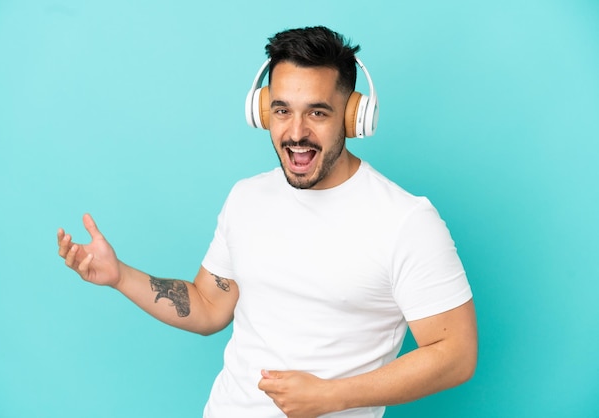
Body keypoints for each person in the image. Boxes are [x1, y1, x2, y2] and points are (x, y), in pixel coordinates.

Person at [57, 26, 477, 418]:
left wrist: (331, 395)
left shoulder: (404, 220)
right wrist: (119, 276)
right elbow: (208, 305)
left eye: (317, 113)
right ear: (262, 111)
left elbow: (456, 354)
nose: (296, 133)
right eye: (282, 110)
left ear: (353, 116)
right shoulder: (247, 197)